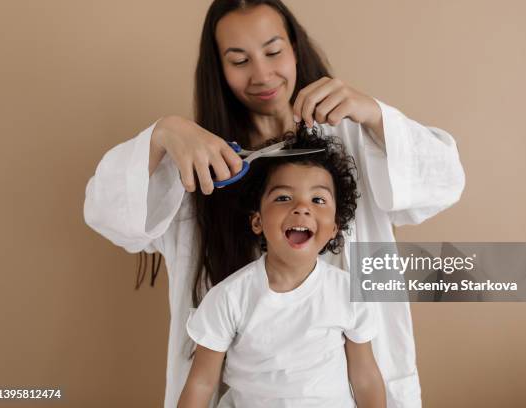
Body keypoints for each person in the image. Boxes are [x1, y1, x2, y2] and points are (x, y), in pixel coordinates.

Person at [83, 0, 466, 407]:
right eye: (239, 59)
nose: (262, 74)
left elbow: (444, 183)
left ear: (295, 48)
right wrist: (163, 135)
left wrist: (374, 115)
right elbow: (108, 215)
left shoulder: (353, 140)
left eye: (273, 51)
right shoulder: (199, 163)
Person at [178, 129, 386, 407]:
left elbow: (365, 377)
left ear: (334, 228)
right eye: (283, 198)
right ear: (258, 222)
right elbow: (201, 383)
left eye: (318, 200)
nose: (302, 208)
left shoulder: (348, 292)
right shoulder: (229, 297)